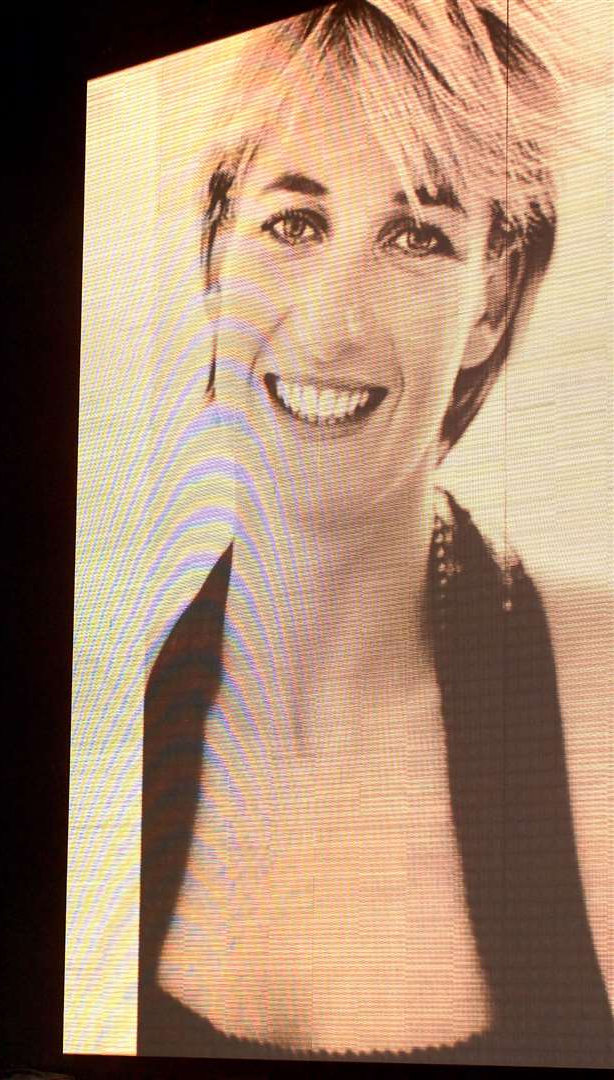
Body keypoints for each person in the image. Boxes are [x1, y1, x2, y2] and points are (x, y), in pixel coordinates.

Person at [135, 0, 612, 1064]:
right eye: (293, 223)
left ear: (490, 299)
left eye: (416, 236)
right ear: (217, 253)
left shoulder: (598, 696)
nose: (330, 321)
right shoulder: (111, 710)